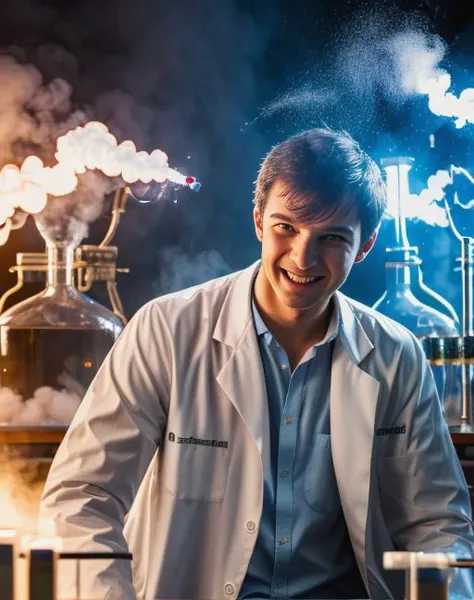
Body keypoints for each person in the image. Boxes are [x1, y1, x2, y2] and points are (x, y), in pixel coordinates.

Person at [40, 128, 474, 600]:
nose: (303, 256)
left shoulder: (396, 355)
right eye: (286, 227)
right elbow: (83, 496)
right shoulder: (165, 331)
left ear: (365, 245)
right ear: (258, 223)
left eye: (330, 237)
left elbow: (436, 524)